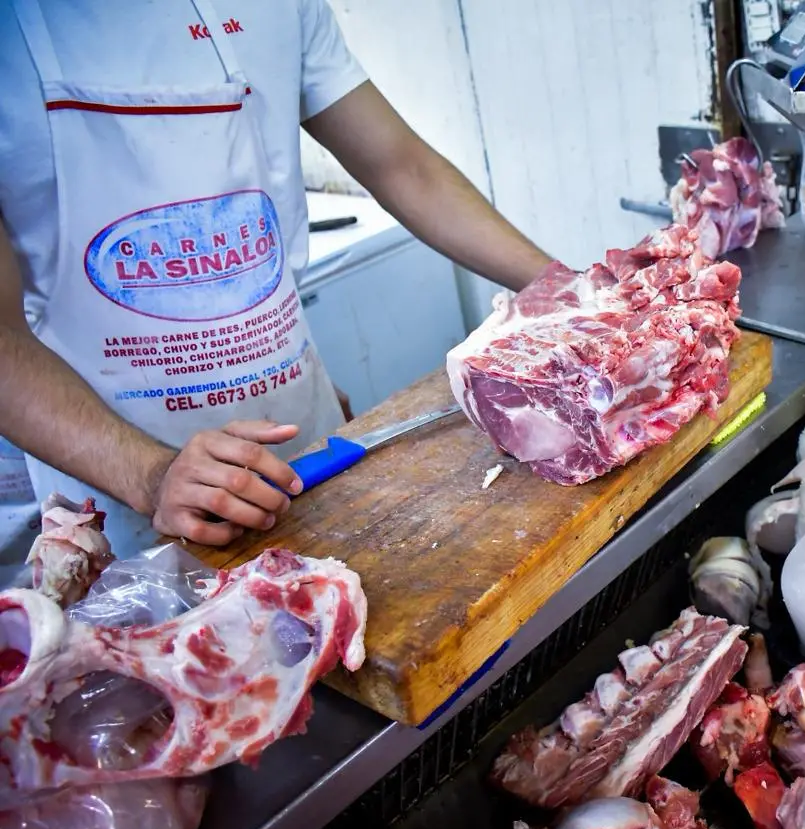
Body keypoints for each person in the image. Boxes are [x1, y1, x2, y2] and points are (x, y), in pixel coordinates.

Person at [0, 0, 554, 557]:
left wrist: (571, 290)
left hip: (301, 436)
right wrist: (148, 475)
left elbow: (402, 165)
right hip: (124, 492)